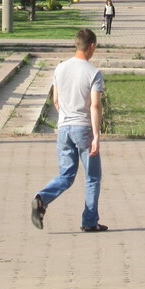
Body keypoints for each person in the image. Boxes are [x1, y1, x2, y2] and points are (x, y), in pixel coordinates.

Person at [32, 28, 107, 233]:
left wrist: (66, 117)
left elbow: (56, 100)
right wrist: (96, 136)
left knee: (66, 175)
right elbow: (94, 106)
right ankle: (89, 221)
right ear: (92, 46)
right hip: (84, 128)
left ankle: (42, 198)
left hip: (64, 128)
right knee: (92, 177)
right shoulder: (93, 72)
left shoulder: (60, 68)